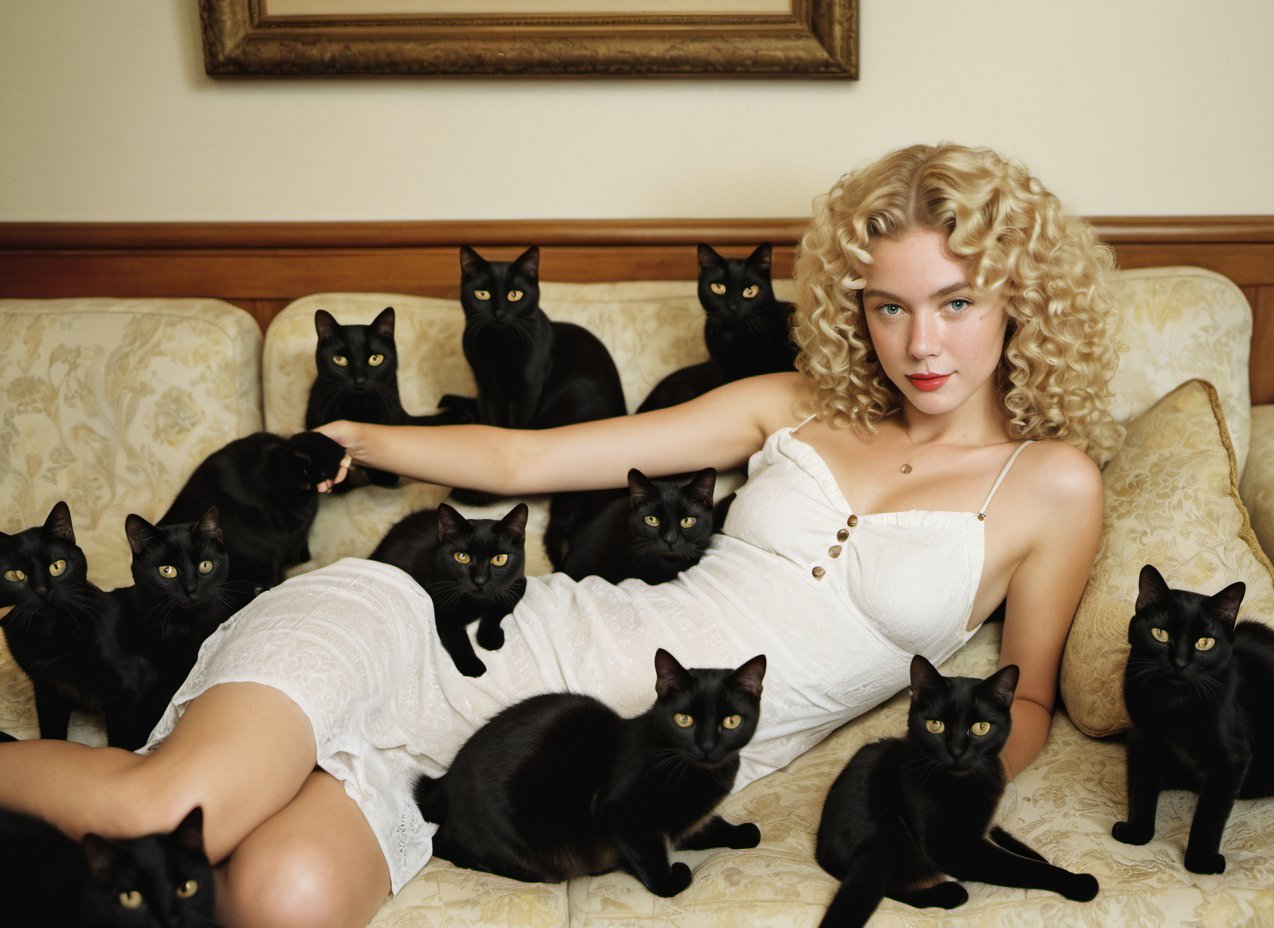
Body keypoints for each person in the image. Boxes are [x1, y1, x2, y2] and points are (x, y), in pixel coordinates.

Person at [0, 142, 1121, 928]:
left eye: (957, 302)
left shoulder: (1052, 487)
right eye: (889, 304)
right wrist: (367, 434)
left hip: (537, 769)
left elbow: (1021, 704)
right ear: (853, 305)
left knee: (277, 904)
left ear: (1019, 296)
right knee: (162, 807)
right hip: (433, 633)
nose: (920, 341)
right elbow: (532, 460)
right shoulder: (794, 404)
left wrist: (952, 798)